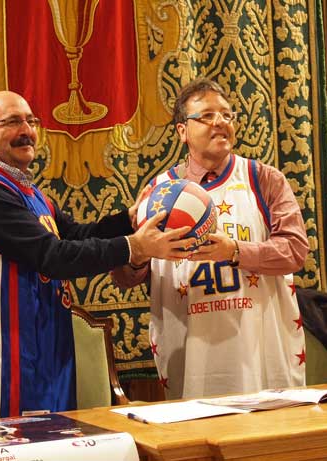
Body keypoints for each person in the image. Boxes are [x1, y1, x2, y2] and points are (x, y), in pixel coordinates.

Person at [0, 90, 194, 425]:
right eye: (12, 122)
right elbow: (51, 256)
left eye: (30, 120)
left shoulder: (26, 192)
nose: (26, 129)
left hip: (36, 356)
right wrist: (135, 247)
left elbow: (78, 235)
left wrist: (130, 218)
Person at [112, 78, 309, 400]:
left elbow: (295, 251)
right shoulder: (159, 191)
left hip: (259, 348)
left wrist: (234, 250)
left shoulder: (264, 179)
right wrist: (140, 253)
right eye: (206, 116)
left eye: (227, 115)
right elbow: (125, 276)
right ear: (181, 131)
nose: (219, 122)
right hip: (191, 349)